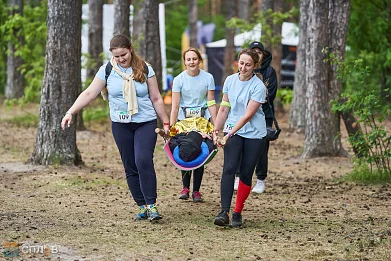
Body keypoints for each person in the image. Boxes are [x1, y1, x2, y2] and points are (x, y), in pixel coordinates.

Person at [61, 34, 170, 221]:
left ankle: (152, 205)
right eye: (117, 56)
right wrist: (70, 112)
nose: (120, 59)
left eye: (123, 55)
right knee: (130, 165)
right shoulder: (108, 70)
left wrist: (166, 123)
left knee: (143, 160)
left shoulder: (145, 68)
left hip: (145, 122)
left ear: (131, 49)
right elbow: (89, 93)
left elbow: (156, 98)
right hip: (121, 125)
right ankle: (142, 205)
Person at [212, 48, 267, 227]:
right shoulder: (230, 80)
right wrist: (216, 129)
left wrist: (228, 134)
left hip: (254, 133)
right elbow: (224, 107)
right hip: (232, 129)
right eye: (241, 63)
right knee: (229, 168)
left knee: (245, 172)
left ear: (255, 66)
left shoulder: (258, 87)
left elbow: (247, 116)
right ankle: (224, 211)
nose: (243, 68)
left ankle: (237, 212)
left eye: (248, 65)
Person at [170, 47, 217, 202]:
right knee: (185, 149)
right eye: (188, 59)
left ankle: (196, 191)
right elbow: (175, 106)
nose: (192, 62)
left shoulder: (208, 78)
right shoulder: (178, 80)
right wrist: (171, 128)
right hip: (184, 121)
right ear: (185, 62)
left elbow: (211, 102)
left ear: (200, 60)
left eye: (194, 59)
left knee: (200, 152)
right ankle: (185, 188)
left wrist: (215, 126)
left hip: (203, 121)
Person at [234, 41, 278, 194]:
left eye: (259, 52)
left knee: (261, 149)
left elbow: (269, 95)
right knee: (239, 145)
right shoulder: (240, 74)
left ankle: (260, 179)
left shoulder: (269, 72)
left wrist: (257, 97)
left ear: (263, 55)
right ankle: (238, 177)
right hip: (241, 115)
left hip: (264, 115)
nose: (257, 54)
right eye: (254, 51)